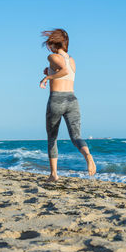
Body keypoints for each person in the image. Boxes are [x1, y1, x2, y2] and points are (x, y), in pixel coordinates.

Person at [40, 28, 96, 182]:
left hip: (57, 99)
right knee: (76, 136)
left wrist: (47, 78)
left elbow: (62, 71)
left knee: (52, 138)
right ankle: (88, 156)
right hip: (72, 100)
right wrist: (50, 73)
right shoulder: (72, 60)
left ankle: (53, 175)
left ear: (53, 43)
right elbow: (66, 72)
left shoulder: (52, 56)